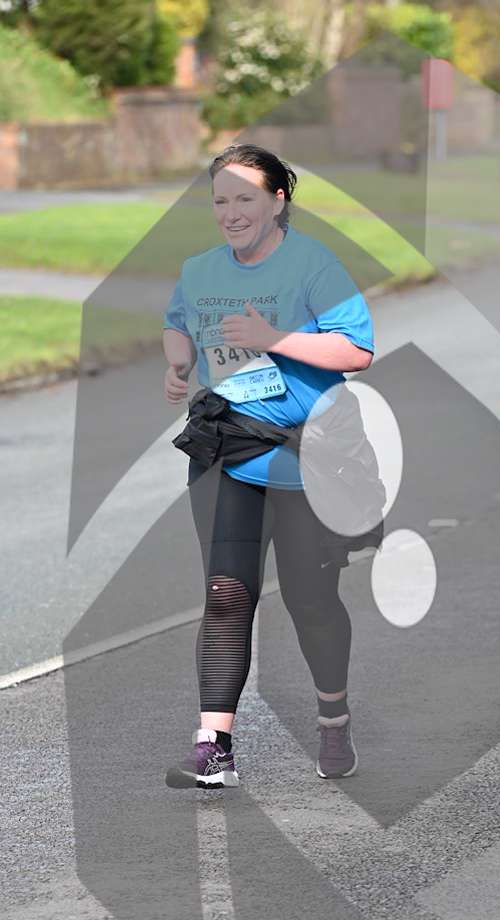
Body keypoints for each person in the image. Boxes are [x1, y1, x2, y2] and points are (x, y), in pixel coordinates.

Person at [162, 144, 375, 789]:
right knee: (227, 594)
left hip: (304, 458)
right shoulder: (200, 270)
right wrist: (179, 361)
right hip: (227, 451)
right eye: (220, 200)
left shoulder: (314, 264)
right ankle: (214, 747)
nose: (231, 212)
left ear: (278, 200)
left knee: (311, 600)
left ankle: (333, 720)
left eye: (245, 199)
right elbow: (179, 323)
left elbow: (356, 351)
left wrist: (272, 339)